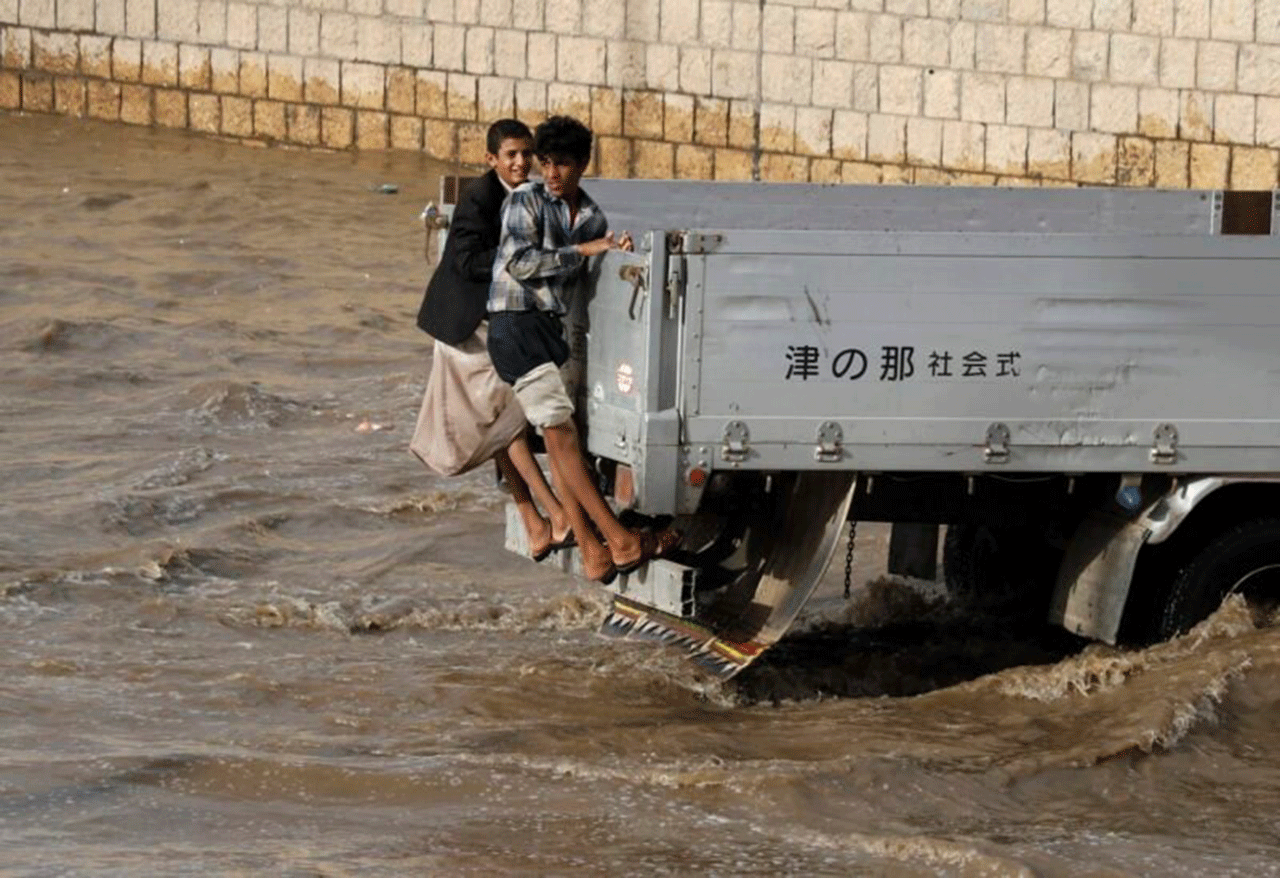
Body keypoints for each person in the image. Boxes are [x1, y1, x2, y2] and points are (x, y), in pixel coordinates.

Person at [487, 115, 677, 583]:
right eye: (545, 163)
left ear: (582, 165)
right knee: (560, 434)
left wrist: (613, 253)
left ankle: (594, 551)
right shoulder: (525, 201)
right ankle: (618, 539)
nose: (551, 173)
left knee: (561, 440)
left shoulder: (592, 216)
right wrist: (586, 251)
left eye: (562, 164)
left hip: (548, 331)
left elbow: (585, 278)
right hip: (513, 327)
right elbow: (520, 262)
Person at [411, 119, 572, 561]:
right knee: (506, 421)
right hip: (464, 331)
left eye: (526, 155)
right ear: (492, 160)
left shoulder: (531, 196)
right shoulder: (479, 199)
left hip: (489, 324)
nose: (521, 163)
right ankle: (554, 515)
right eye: (512, 155)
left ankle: (535, 522)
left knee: (497, 423)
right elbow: (462, 260)